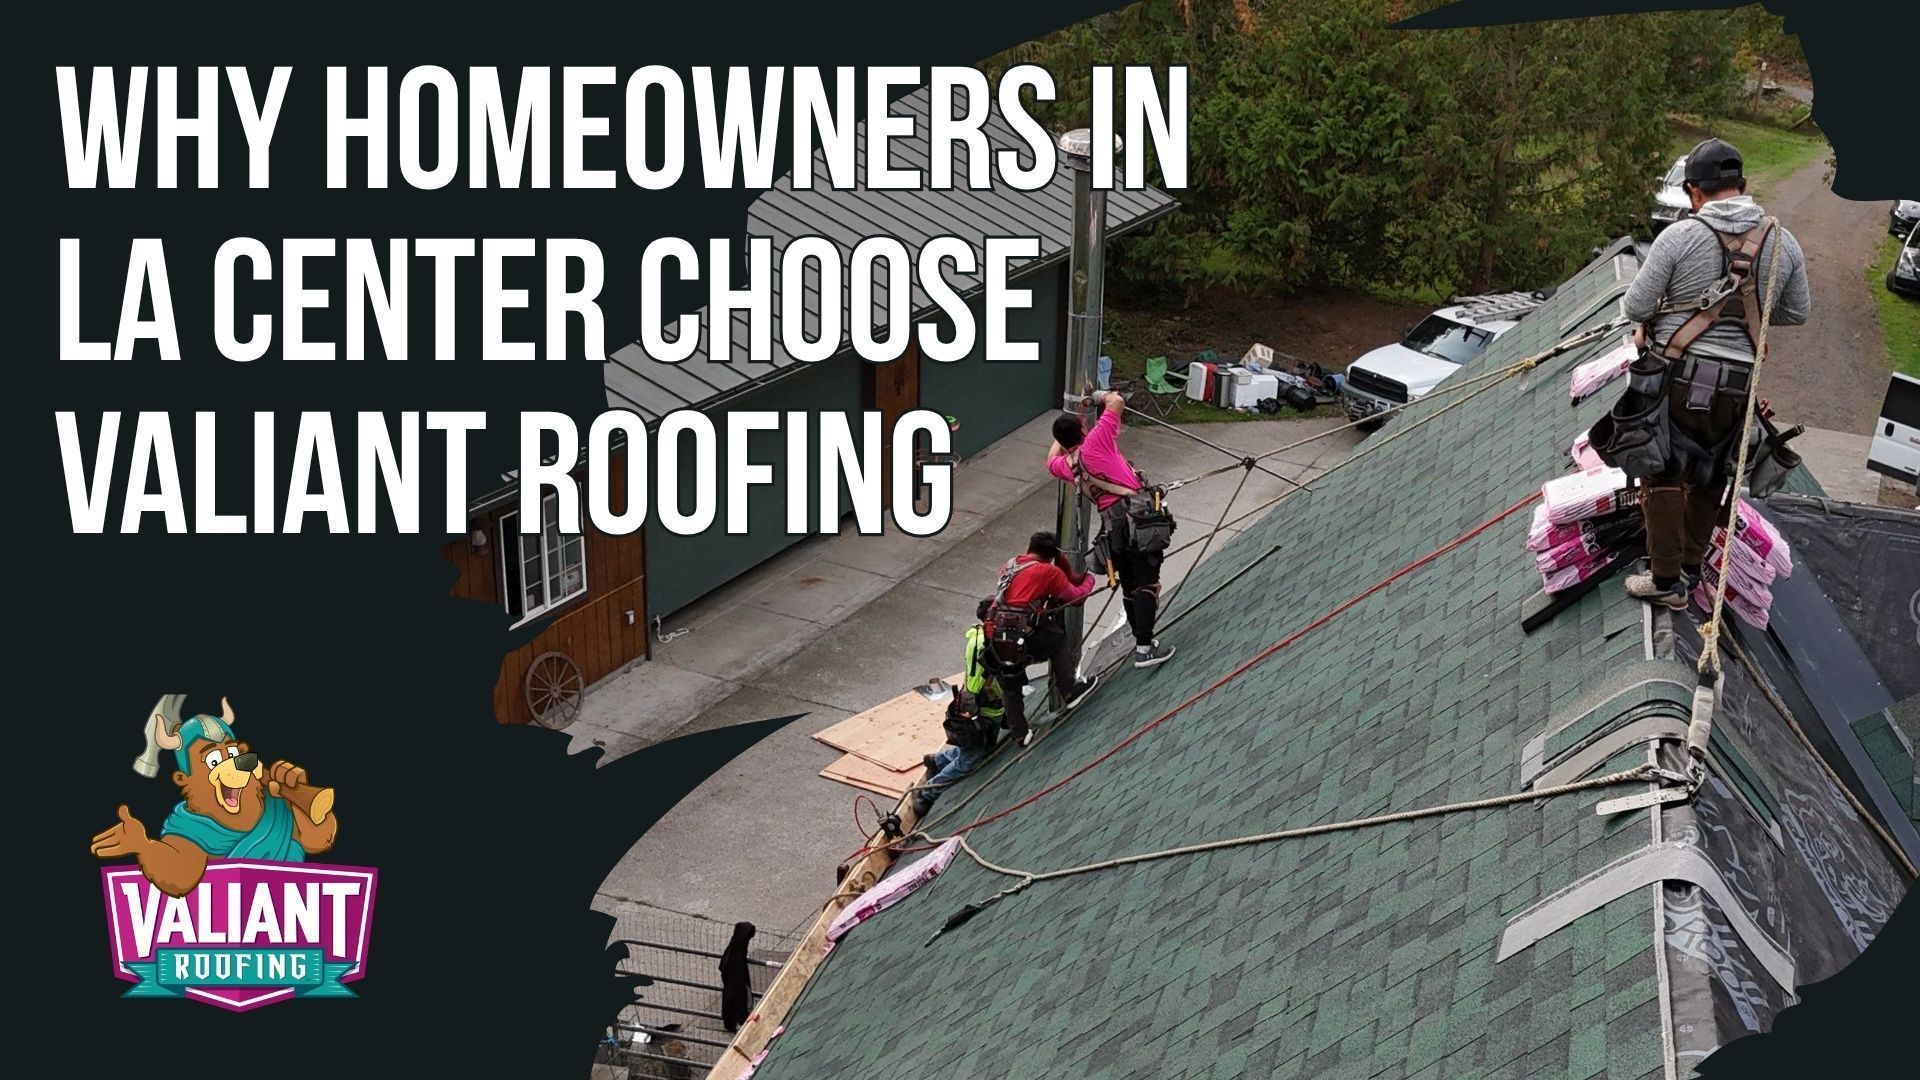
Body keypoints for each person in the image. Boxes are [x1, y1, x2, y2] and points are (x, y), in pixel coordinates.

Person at [1618, 137, 1810, 609]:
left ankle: (1666, 582)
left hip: (1678, 377)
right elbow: (1796, 312)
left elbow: (1636, 306)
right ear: (1741, 185)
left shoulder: (1680, 236)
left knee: (1661, 468)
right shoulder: (1783, 243)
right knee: (1710, 473)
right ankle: (1687, 568)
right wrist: (1750, 314)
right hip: (1738, 389)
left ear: (1694, 191)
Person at [1048, 391, 1176, 668]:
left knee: (1130, 584)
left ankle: (1141, 642)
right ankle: (1144, 649)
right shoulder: (1097, 441)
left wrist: (1063, 437)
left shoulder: (1067, 465)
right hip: (1136, 517)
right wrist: (1098, 396)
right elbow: (1117, 401)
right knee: (1147, 581)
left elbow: (1050, 459)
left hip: (1112, 526)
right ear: (1083, 430)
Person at [911, 616, 1009, 817]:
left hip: (989, 710)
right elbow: (978, 684)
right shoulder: (987, 650)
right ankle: (927, 793)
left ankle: (938, 761)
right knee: (968, 761)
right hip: (981, 713)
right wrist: (970, 714)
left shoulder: (983, 639)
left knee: (982, 750)